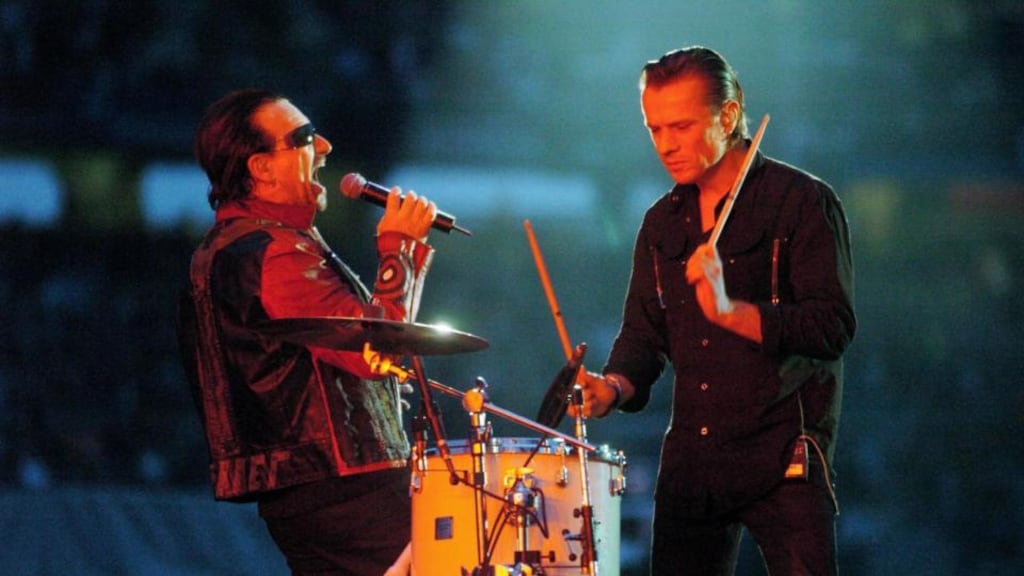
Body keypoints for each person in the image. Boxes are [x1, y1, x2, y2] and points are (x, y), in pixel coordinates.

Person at [576, 46, 856, 575]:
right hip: (693, 462)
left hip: (784, 456)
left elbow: (832, 326)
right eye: (654, 130)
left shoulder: (802, 202)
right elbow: (642, 337)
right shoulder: (661, 224)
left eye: (680, 127)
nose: (665, 145)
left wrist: (731, 312)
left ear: (728, 116)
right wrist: (611, 387)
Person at [177, 88, 437, 575]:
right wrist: (398, 248)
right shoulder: (272, 253)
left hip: (313, 490)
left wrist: (407, 256)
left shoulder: (239, 245)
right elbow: (371, 351)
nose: (324, 147)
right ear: (261, 168)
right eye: (303, 138)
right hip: (345, 487)